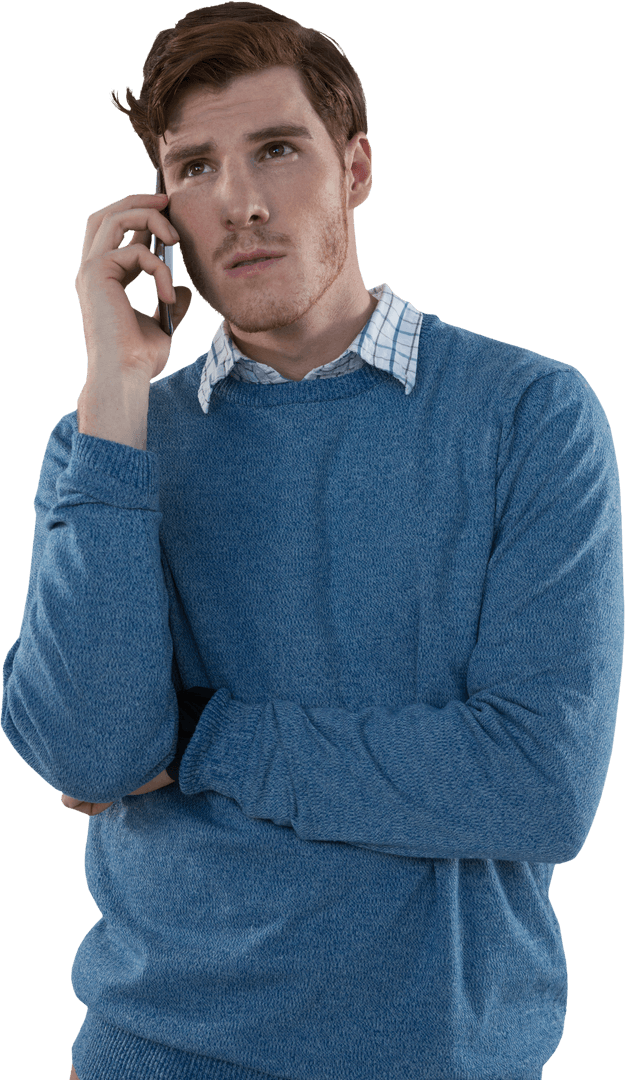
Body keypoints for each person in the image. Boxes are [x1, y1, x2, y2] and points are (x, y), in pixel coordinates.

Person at [1, 4, 623, 1080]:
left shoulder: (526, 415)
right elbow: (92, 752)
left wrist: (199, 737)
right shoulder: (112, 439)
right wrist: (116, 390)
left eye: (277, 149)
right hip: (154, 1053)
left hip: (442, 1059)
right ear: (161, 212)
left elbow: (535, 785)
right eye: (193, 167)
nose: (238, 200)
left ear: (356, 168)